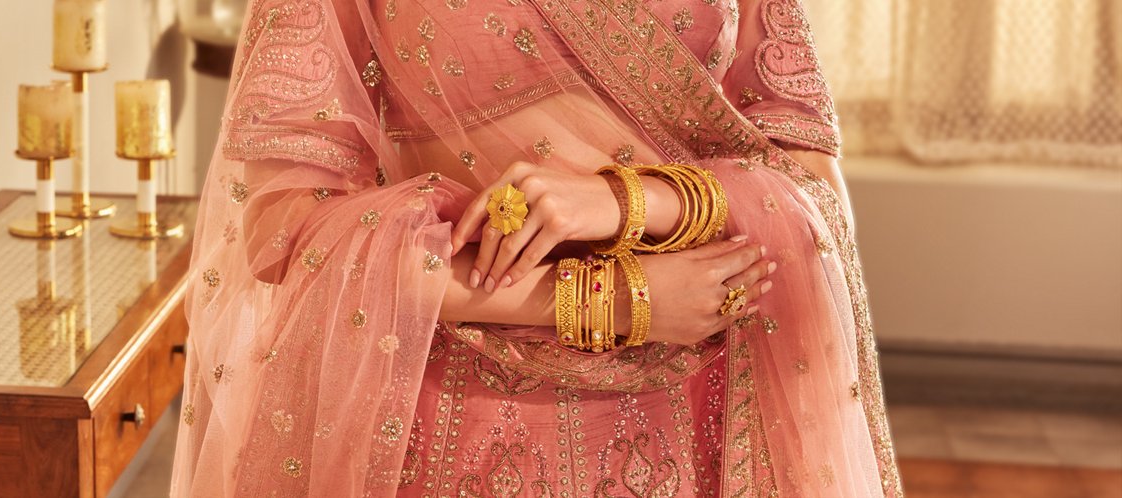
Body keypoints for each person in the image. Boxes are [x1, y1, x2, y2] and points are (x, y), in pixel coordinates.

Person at [171, 0, 902, 496]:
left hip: (698, 398)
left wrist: (626, 199)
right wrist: (607, 300)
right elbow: (291, 227)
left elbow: (807, 182)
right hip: (453, 401)